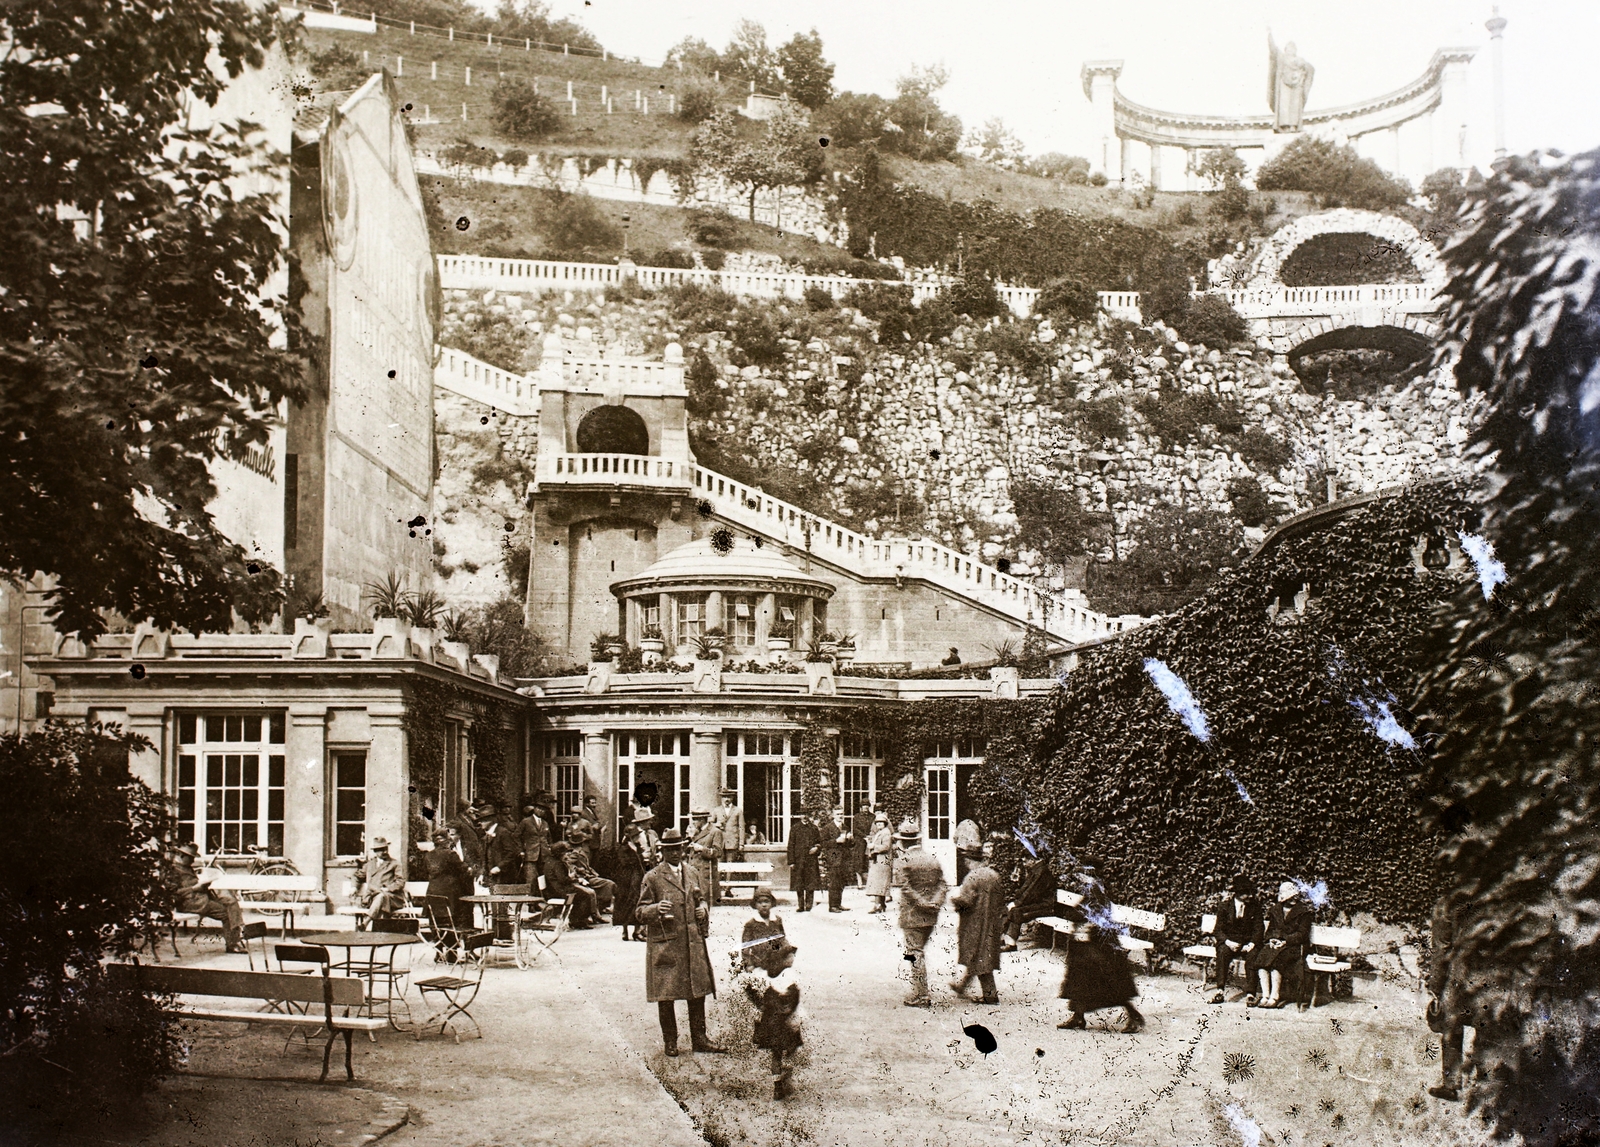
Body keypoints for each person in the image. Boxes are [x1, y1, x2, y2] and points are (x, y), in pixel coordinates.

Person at [636, 829, 724, 1057]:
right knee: (667, 995)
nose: (675, 853)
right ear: (662, 851)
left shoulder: (692, 873)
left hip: (692, 942)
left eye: (678, 849)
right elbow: (639, 912)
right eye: (669, 850)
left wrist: (703, 909)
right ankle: (670, 1041)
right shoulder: (653, 877)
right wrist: (655, 909)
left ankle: (700, 1039)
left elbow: (701, 898)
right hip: (667, 944)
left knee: (697, 992)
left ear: (684, 849)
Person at [1057, 856, 1144, 1033]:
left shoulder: (1097, 890)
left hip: (1098, 945)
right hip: (1089, 943)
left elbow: (1093, 915)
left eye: (1084, 872)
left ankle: (1134, 1016)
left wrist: (1076, 917)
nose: (1080, 875)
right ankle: (1078, 1017)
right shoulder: (1093, 889)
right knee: (1081, 979)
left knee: (1108, 982)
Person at [897, 820, 948, 1008]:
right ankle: (919, 991)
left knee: (914, 953)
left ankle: (921, 995)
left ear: (903, 842)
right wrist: (935, 901)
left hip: (912, 915)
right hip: (931, 916)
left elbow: (905, 887)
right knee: (918, 952)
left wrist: (922, 903)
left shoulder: (904, 860)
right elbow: (943, 884)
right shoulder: (931, 859)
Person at [743, 939, 802, 1100]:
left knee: (776, 1054)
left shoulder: (765, 976)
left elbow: (756, 996)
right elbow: (793, 999)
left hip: (771, 1023)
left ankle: (777, 1085)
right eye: (789, 956)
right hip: (785, 1022)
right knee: (789, 1049)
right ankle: (785, 1074)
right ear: (781, 959)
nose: (792, 958)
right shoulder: (789, 975)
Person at [162, 841, 246, 952]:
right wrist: (194, 888)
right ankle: (232, 944)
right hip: (190, 903)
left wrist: (204, 884)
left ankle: (237, 936)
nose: (193, 860)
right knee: (225, 913)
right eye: (191, 857)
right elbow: (173, 893)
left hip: (201, 898)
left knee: (231, 901)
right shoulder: (172, 871)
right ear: (181, 855)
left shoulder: (186, 867)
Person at [1426, 891, 1468, 1102]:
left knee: (1452, 1028)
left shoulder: (1446, 903)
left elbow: (1441, 949)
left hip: (1459, 977)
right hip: (1491, 975)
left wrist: (1435, 987)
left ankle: (1451, 1085)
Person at [1249, 881, 1313, 1009]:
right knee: (1261, 958)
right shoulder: (1275, 910)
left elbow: (1302, 934)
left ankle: (1275, 996)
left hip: (1294, 947)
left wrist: (1285, 941)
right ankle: (1265, 995)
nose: (1294, 899)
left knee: (1277, 961)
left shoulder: (1304, 912)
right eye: (1291, 897)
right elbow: (1271, 930)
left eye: (1295, 896)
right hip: (1276, 944)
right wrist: (1271, 939)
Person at [1208, 874, 1264, 1004]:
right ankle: (1220, 991)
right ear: (1238, 893)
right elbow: (1218, 930)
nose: (1250, 896)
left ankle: (1251, 993)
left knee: (1253, 955)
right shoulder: (1225, 906)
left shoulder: (1255, 907)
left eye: (1250, 892)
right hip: (1230, 942)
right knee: (1222, 952)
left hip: (1247, 943)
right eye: (1246, 893)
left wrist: (1251, 944)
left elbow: (1259, 928)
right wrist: (1228, 942)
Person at [421, 829, 474, 936]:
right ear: (446, 841)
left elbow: (424, 872)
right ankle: (451, 950)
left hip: (432, 896)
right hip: (451, 897)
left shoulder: (428, 856)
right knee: (454, 923)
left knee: (436, 924)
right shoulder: (451, 854)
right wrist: (470, 870)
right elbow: (464, 870)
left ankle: (439, 949)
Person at [1004, 850, 1058, 950]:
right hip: (1039, 904)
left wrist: (1017, 903)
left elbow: (1031, 893)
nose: (1024, 864)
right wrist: (1017, 896)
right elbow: (1025, 889)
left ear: (1032, 860)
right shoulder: (1036, 870)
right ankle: (1006, 939)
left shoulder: (1042, 872)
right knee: (1012, 909)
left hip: (1047, 906)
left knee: (1017, 911)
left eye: (1025, 861)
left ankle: (1011, 945)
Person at [545, 841, 601, 928]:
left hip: (553, 889)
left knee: (582, 894)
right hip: (560, 890)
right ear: (560, 853)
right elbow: (563, 880)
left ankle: (576, 919)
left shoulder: (549, 861)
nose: (567, 854)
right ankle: (579, 921)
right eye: (565, 852)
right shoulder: (558, 864)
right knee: (585, 896)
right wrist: (572, 878)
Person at [614, 811, 651, 942]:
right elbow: (624, 862)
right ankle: (624, 931)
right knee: (626, 903)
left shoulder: (638, 847)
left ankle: (637, 931)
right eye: (635, 836)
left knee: (636, 901)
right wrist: (639, 857)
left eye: (637, 835)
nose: (637, 838)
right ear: (630, 837)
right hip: (626, 879)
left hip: (637, 877)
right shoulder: (623, 848)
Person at [355, 836, 406, 924]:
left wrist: (388, 889)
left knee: (382, 896)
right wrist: (354, 887)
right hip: (371, 898)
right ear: (375, 851)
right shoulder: (369, 865)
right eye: (381, 849)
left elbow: (400, 882)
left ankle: (366, 922)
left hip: (391, 897)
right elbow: (356, 876)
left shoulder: (395, 863)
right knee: (380, 898)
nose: (385, 851)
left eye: (386, 848)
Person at [741, 888, 787, 971]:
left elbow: (783, 939)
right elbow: (745, 947)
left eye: (766, 901)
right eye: (760, 902)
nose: (764, 905)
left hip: (776, 961)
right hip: (759, 962)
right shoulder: (751, 924)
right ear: (755, 905)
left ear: (771, 903)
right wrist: (748, 964)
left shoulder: (777, 920)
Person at [568, 843, 617, 920]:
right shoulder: (573, 854)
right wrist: (579, 870)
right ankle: (595, 913)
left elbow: (587, 866)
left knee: (609, 884)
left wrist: (593, 873)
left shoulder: (581, 852)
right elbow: (570, 866)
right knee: (603, 886)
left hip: (588, 876)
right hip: (582, 878)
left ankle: (603, 907)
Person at [787, 807, 822, 912]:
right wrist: (791, 861)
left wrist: (816, 848)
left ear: (809, 816)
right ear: (800, 816)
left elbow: (819, 842)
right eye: (802, 814)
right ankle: (801, 905)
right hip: (799, 860)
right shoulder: (795, 828)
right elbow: (791, 845)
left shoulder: (814, 828)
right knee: (799, 883)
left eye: (806, 814)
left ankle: (809, 905)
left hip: (811, 860)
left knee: (810, 883)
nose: (805, 816)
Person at [689, 808, 723, 907]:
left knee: (704, 903)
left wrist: (701, 849)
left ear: (702, 820)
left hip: (705, 874)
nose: (693, 822)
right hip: (693, 872)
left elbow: (718, 852)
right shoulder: (696, 832)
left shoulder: (715, 832)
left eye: (695, 820)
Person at [823, 807, 853, 913]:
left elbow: (850, 845)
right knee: (834, 882)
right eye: (838, 814)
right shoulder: (828, 828)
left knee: (841, 882)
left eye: (842, 814)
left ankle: (838, 904)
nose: (840, 816)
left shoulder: (845, 827)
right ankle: (832, 906)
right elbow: (824, 843)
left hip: (844, 858)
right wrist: (836, 841)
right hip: (833, 858)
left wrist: (850, 839)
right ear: (833, 815)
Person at [864, 811, 894, 913]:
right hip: (879, 860)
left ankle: (877, 905)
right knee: (880, 883)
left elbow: (886, 846)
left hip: (883, 860)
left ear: (885, 823)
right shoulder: (880, 832)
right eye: (877, 822)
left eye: (881, 822)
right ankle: (882, 904)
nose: (879, 824)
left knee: (878, 883)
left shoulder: (886, 833)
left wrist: (873, 847)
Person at [448, 801, 485, 881]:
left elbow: (473, 829)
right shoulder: (458, 820)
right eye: (469, 807)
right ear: (464, 809)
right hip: (467, 846)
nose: (471, 809)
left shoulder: (467, 817)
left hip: (472, 845)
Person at [482, 817, 523, 888]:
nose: (480, 823)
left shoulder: (503, 832)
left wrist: (499, 867)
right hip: (491, 874)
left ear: (490, 821)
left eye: (482, 820)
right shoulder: (487, 834)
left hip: (504, 874)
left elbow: (511, 852)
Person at [519, 801, 551, 889]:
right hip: (530, 854)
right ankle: (529, 899)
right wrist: (521, 850)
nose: (541, 811)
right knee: (530, 878)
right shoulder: (526, 822)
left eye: (543, 810)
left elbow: (548, 838)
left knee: (543, 878)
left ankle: (541, 898)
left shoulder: (545, 823)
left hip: (544, 855)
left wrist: (549, 848)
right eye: (539, 809)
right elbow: (516, 836)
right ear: (535, 809)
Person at [713, 790, 744, 863]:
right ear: (721, 798)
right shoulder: (716, 810)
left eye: (729, 797)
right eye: (724, 797)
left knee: (730, 867)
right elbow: (709, 825)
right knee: (719, 866)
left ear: (732, 798)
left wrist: (741, 844)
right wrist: (716, 824)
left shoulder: (738, 810)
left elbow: (741, 827)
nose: (726, 799)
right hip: (719, 843)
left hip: (732, 843)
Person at [954, 816, 983, 883]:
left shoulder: (962, 824)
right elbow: (975, 844)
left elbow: (955, 838)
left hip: (960, 850)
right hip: (969, 852)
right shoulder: (974, 826)